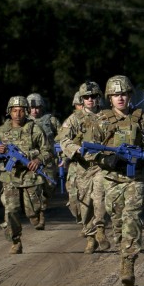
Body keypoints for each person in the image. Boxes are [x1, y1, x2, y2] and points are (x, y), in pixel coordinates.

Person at [92, 75, 144, 286]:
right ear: (109, 98)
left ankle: (128, 261)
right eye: (115, 95)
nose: (120, 98)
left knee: (132, 217)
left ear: (130, 95)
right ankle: (123, 249)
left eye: (123, 94)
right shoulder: (101, 120)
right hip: (111, 179)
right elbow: (87, 149)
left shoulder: (142, 118)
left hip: (136, 177)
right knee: (118, 221)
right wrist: (107, 158)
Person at [0, 96, 53, 254]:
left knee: (32, 210)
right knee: (11, 210)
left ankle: (35, 215)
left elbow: (48, 150)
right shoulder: (1, 131)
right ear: (9, 112)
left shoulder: (35, 129)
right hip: (10, 177)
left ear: (27, 112)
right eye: (14, 110)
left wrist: (38, 160)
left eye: (21, 110)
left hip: (31, 176)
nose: (18, 114)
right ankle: (15, 241)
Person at [56, 81, 109, 253]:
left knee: (99, 196)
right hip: (82, 166)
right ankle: (90, 236)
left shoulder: (108, 116)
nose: (90, 100)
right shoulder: (73, 119)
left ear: (98, 98)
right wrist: (75, 149)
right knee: (84, 204)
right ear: (82, 99)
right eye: (86, 97)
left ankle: (100, 228)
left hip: (102, 164)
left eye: (93, 96)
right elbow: (63, 139)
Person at [27, 93, 61, 229]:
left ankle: (41, 208)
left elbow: (62, 135)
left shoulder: (50, 120)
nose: (35, 111)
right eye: (32, 108)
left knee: (48, 189)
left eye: (38, 107)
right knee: (34, 188)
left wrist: (60, 153)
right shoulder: (24, 122)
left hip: (49, 161)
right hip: (31, 161)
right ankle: (38, 215)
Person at [63, 91, 84, 223]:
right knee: (74, 198)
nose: (82, 107)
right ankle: (82, 219)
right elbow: (62, 140)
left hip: (95, 164)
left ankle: (92, 225)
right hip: (75, 163)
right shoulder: (71, 121)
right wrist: (64, 157)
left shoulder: (102, 117)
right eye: (79, 104)